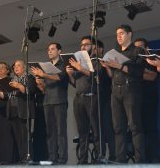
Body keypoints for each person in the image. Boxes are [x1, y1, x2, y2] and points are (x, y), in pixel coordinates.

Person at [101, 25, 146, 163]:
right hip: (115, 91)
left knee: (134, 126)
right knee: (118, 128)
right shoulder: (115, 53)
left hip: (131, 91)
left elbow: (139, 72)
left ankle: (140, 161)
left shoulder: (137, 50)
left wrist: (118, 66)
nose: (118, 36)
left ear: (129, 34)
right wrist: (109, 67)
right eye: (117, 34)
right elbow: (112, 76)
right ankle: (120, 161)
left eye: (121, 33)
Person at [31, 42, 69, 164]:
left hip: (59, 101)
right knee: (50, 132)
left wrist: (44, 74)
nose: (49, 51)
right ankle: (52, 157)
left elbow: (59, 78)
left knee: (60, 132)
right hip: (47, 101)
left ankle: (62, 158)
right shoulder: (46, 67)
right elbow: (44, 89)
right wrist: (39, 82)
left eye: (52, 49)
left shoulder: (63, 64)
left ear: (59, 51)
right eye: (48, 49)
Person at [66, 36, 100, 164]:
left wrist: (81, 69)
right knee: (82, 132)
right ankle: (83, 160)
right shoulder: (78, 64)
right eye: (81, 45)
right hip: (78, 99)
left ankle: (98, 159)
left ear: (93, 47)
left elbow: (96, 78)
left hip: (92, 97)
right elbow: (75, 84)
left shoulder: (96, 61)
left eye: (86, 44)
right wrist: (70, 74)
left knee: (96, 131)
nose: (83, 47)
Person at [134, 38, 159, 163]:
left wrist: (137, 73)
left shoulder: (152, 61)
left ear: (146, 48)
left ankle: (153, 157)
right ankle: (141, 158)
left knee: (151, 129)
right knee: (138, 130)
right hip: (135, 100)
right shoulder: (134, 62)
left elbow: (153, 77)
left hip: (149, 99)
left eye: (140, 47)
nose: (138, 50)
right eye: (136, 48)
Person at [6, 60, 36, 162]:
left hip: (24, 110)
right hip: (13, 110)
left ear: (24, 68)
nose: (16, 67)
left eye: (19, 65)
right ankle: (22, 158)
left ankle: (29, 157)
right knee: (18, 137)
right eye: (14, 66)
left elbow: (30, 91)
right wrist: (0, 92)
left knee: (26, 136)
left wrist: (19, 86)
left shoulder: (29, 77)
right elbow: (7, 95)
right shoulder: (11, 80)